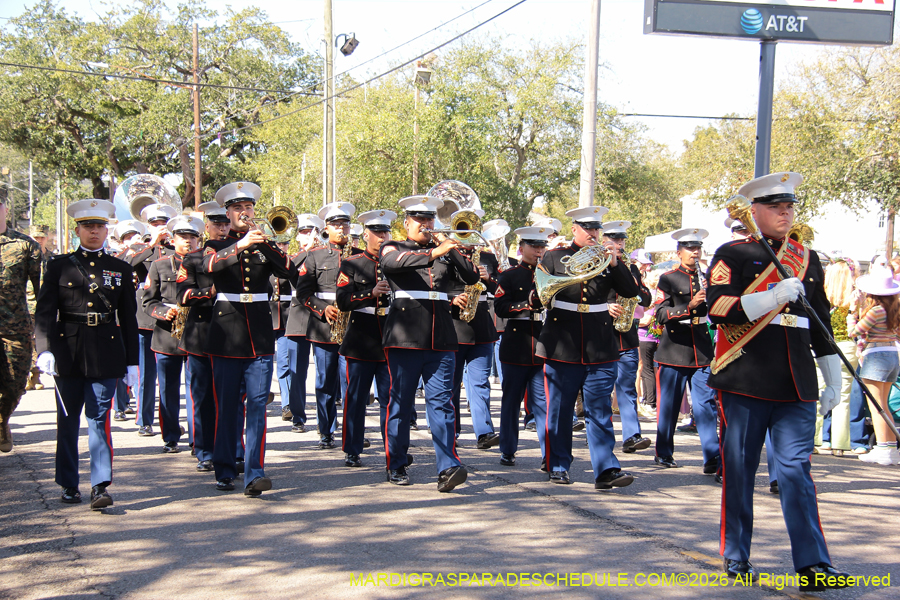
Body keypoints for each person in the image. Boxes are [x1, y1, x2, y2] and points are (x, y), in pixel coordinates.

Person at [707, 172, 849, 590]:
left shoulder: (808, 258)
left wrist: (832, 375)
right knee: (740, 469)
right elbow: (718, 307)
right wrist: (771, 295)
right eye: (775, 206)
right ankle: (736, 555)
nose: (785, 212)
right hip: (746, 375)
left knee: (796, 473)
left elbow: (820, 320)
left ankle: (813, 565)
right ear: (755, 211)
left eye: (789, 206)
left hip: (796, 382)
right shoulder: (732, 254)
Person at [34, 199, 140, 510]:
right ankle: (68, 483)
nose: (94, 231)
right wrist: (44, 351)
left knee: (99, 419)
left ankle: (100, 484)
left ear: (107, 230)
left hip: (105, 350)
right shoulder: (59, 266)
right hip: (67, 351)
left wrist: (132, 361)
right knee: (67, 421)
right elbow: (44, 313)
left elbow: (129, 318)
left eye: (99, 226)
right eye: (88, 226)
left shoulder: (120, 269)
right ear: (78, 230)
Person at [379, 195, 479, 491]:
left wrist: (456, 246)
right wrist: (438, 251)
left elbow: (471, 276)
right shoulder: (394, 246)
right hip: (404, 338)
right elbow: (392, 264)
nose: (426, 224)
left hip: (441, 338)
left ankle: (448, 466)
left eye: (430, 219)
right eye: (420, 220)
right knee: (400, 403)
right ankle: (396, 463)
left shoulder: (444, 250)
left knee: (442, 404)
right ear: (406, 222)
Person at [203, 182, 297, 497]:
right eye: (238, 209)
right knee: (227, 406)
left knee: (257, 405)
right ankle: (225, 467)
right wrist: (242, 244)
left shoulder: (263, 244)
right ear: (227, 214)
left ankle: (255, 472)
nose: (245, 213)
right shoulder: (216, 244)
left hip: (259, 334)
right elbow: (210, 267)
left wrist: (268, 244)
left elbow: (290, 272)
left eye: (249, 208)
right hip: (227, 334)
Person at [536, 206, 639, 489]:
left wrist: (616, 264)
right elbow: (538, 295)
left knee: (599, 410)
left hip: (600, 343)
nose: (593, 233)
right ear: (575, 230)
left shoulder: (608, 261)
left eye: (596, 229)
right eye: (587, 228)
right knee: (560, 410)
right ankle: (558, 464)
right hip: (562, 343)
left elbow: (632, 292)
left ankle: (606, 469)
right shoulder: (555, 257)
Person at [653, 229, 719, 474]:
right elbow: (660, 315)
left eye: (698, 248)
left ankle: (712, 456)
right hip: (674, 349)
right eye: (690, 249)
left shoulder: (708, 278)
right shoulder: (668, 278)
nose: (695, 252)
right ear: (679, 252)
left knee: (705, 406)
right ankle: (664, 452)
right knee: (669, 407)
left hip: (701, 350)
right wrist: (688, 306)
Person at [296, 202, 361, 448]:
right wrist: (323, 310)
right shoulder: (315, 255)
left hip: (354, 327)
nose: (342, 228)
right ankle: (326, 430)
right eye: (336, 224)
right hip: (324, 328)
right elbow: (303, 293)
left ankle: (353, 431)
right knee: (325, 381)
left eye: (345, 223)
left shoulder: (359, 254)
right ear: (327, 228)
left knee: (352, 383)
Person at [335, 209, 396, 467]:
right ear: (366, 234)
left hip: (391, 337)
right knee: (356, 398)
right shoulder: (352, 263)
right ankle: (352, 448)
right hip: (361, 338)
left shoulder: (396, 261)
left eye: (386, 231)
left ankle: (392, 448)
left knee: (391, 398)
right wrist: (369, 293)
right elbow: (342, 300)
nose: (382, 236)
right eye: (377, 232)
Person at [143, 215, 203, 453]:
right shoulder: (159, 265)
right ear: (173, 239)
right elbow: (148, 302)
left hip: (196, 334)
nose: (188, 241)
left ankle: (196, 439)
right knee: (167, 389)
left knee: (195, 390)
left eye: (192, 237)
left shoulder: (204, 263)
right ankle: (170, 437)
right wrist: (163, 311)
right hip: (167, 336)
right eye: (183, 237)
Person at [494, 226, 550, 467]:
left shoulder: (550, 274)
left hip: (543, 342)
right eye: (533, 246)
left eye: (541, 246)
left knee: (543, 404)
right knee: (511, 402)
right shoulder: (510, 275)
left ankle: (550, 454)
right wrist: (525, 304)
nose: (538, 251)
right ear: (522, 248)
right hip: (517, 343)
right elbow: (500, 307)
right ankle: (507, 449)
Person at [447, 210, 500, 449]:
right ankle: (451, 430)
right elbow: (434, 284)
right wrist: (451, 298)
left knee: (480, 383)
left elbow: (500, 291)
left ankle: (484, 431)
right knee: (451, 383)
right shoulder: (444, 256)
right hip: (454, 326)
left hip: (481, 326)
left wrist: (489, 279)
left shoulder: (487, 257)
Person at [124, 203, 178, 437]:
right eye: (155, 224)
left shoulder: (176, 246)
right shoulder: (139, 248)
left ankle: (171, 423)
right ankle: (144, 420)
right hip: (146, 318)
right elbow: (126, 265)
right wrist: (151, 243)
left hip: (172, 317)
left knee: (171, 376)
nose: (160, 228)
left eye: (163, 223)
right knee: (147, 373)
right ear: (149, 226)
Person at [602, 221, 652, 454]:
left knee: (627, 389)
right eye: (613, 239)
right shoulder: (595, 265)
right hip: (602, 336)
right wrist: (606, 306)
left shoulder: (631, 268)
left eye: (621, 240)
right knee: (600, 391)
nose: (618, 244)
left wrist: (635, 291)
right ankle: (600, 436)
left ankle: (632, 435)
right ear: (604, 241)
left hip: (627, 337)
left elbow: (645, 297)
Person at [0, 195, 43, 452]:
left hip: (14, 329)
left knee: (15, 383)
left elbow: (44, 291)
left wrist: (50, 329)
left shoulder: (25, 246)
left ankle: (2, 419)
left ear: (5, 208)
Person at [848, 269, 900, 466]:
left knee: (875, 405)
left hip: (876, 355)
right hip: (892, 355)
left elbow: (855, 331)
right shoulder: (895, 310)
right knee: (884, 405)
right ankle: (890, 448)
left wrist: (852, 313)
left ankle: (884, 448)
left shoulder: (877, 311)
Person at [281, 214, 325, 432]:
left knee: (324, 373)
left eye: (311, 232)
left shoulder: (327, 255)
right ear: (298, 236)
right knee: (296, 371)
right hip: (298, 317)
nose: (306, 236)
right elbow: (287, 272)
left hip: (321, 317)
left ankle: (324, 420)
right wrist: (308, 251)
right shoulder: (295, 256)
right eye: (303, 232)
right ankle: (298, 416)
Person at [818, 259, 858, 457]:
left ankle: (815, 440)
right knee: (843, 396)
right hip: (848, 347)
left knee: (818, 392)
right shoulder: (855, 297)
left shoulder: (822, 294)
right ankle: (839, 444)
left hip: (823, 346)